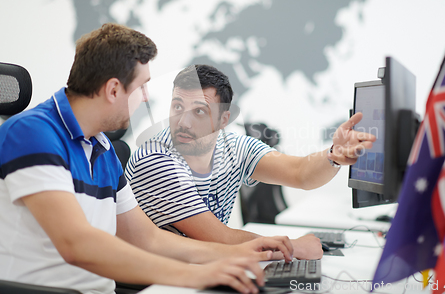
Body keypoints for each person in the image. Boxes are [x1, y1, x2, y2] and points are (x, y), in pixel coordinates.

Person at [0, 24, 294, 294]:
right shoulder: (31, 134)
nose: (145, 97)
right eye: (141, 86)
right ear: (114, 89)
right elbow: (77, 244)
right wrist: (194, 275)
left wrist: (241, 252)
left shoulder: (100, 145)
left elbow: (147, 238)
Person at [125, 64, 376, 260]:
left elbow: (300, 173)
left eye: (199, 111)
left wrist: (333, 155)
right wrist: (294, 247)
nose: (183, 122)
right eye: (177, 106)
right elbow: (218, 238)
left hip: (205, 269)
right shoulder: (156, 160)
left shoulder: (234, 146)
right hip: (158, 285)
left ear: (223, 120)